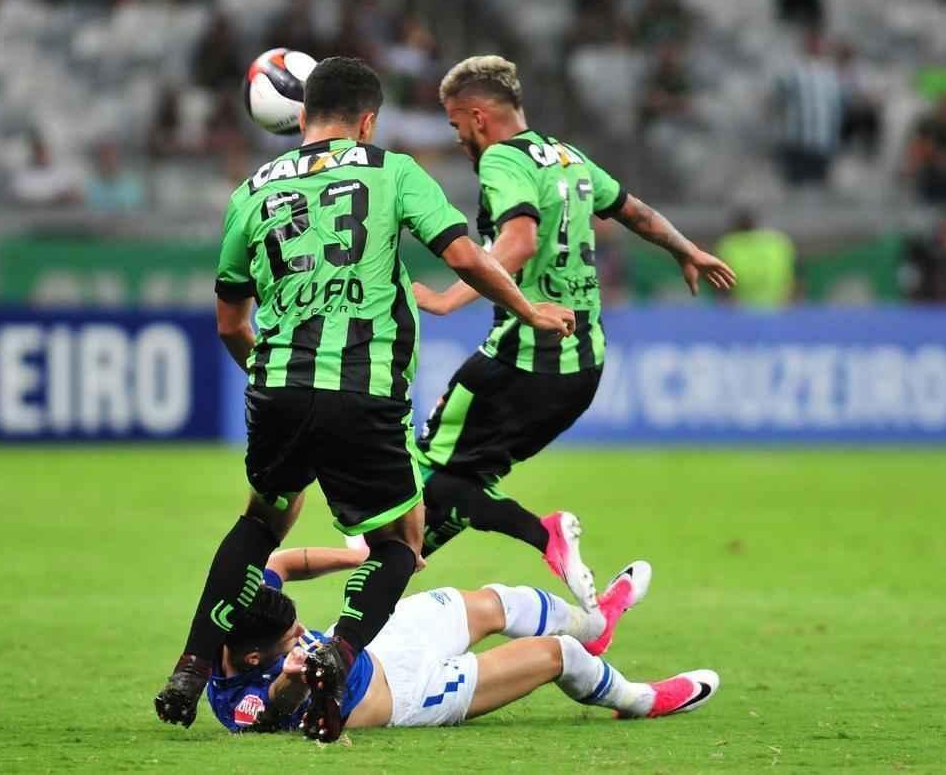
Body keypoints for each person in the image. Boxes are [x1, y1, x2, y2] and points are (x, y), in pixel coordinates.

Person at [154, 56, 577, 741]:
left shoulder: (250, 191)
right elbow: (467, 258)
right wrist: (526, 310)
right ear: (368, 119)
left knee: (262, 524)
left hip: (278, 387)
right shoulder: (392, 171)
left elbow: (231, 321)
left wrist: (269, 374)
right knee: (399, 543)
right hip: (363, 388)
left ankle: (194, 660)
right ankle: (339, 651)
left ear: (301, 116)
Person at [411, 55, 734, 629]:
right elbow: (634, 211)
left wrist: (444, 299)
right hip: (581, 369)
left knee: (428, 468)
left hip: (524, 357)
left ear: (479, 117)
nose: (458, 138)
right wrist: (685, 248)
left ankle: (545, 536)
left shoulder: (502, 160)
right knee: (458, 490)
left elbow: (518, 241)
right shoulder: (568, 157)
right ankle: (589, 619)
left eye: (457, 126)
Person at [205, 545, 719, 737]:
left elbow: (279, 564)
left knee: (496, 601)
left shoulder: (250, 614)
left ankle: (595, 626)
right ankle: (640, 700)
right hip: (408, 693)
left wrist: (359, 559)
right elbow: (271, 711)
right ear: (254, 658)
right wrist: (293, 682)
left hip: (376, 639)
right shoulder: (239, 700)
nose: (300, 635)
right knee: (556, 657)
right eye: (291, 638)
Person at [773, 28, 843, 186]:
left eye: (820, 44)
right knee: (797, 187)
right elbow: (778, 99)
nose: (818, 47)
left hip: (823, 142)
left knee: (817, 190)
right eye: (814, 44)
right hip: (798, 142)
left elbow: (836, 108)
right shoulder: (793, 71)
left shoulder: (830, 73)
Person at [714, 209, 797, 309]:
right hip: (777, 308)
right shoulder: (778, 243)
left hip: (738, 308)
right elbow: (792, 280)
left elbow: (720, 283)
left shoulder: (728, 245)